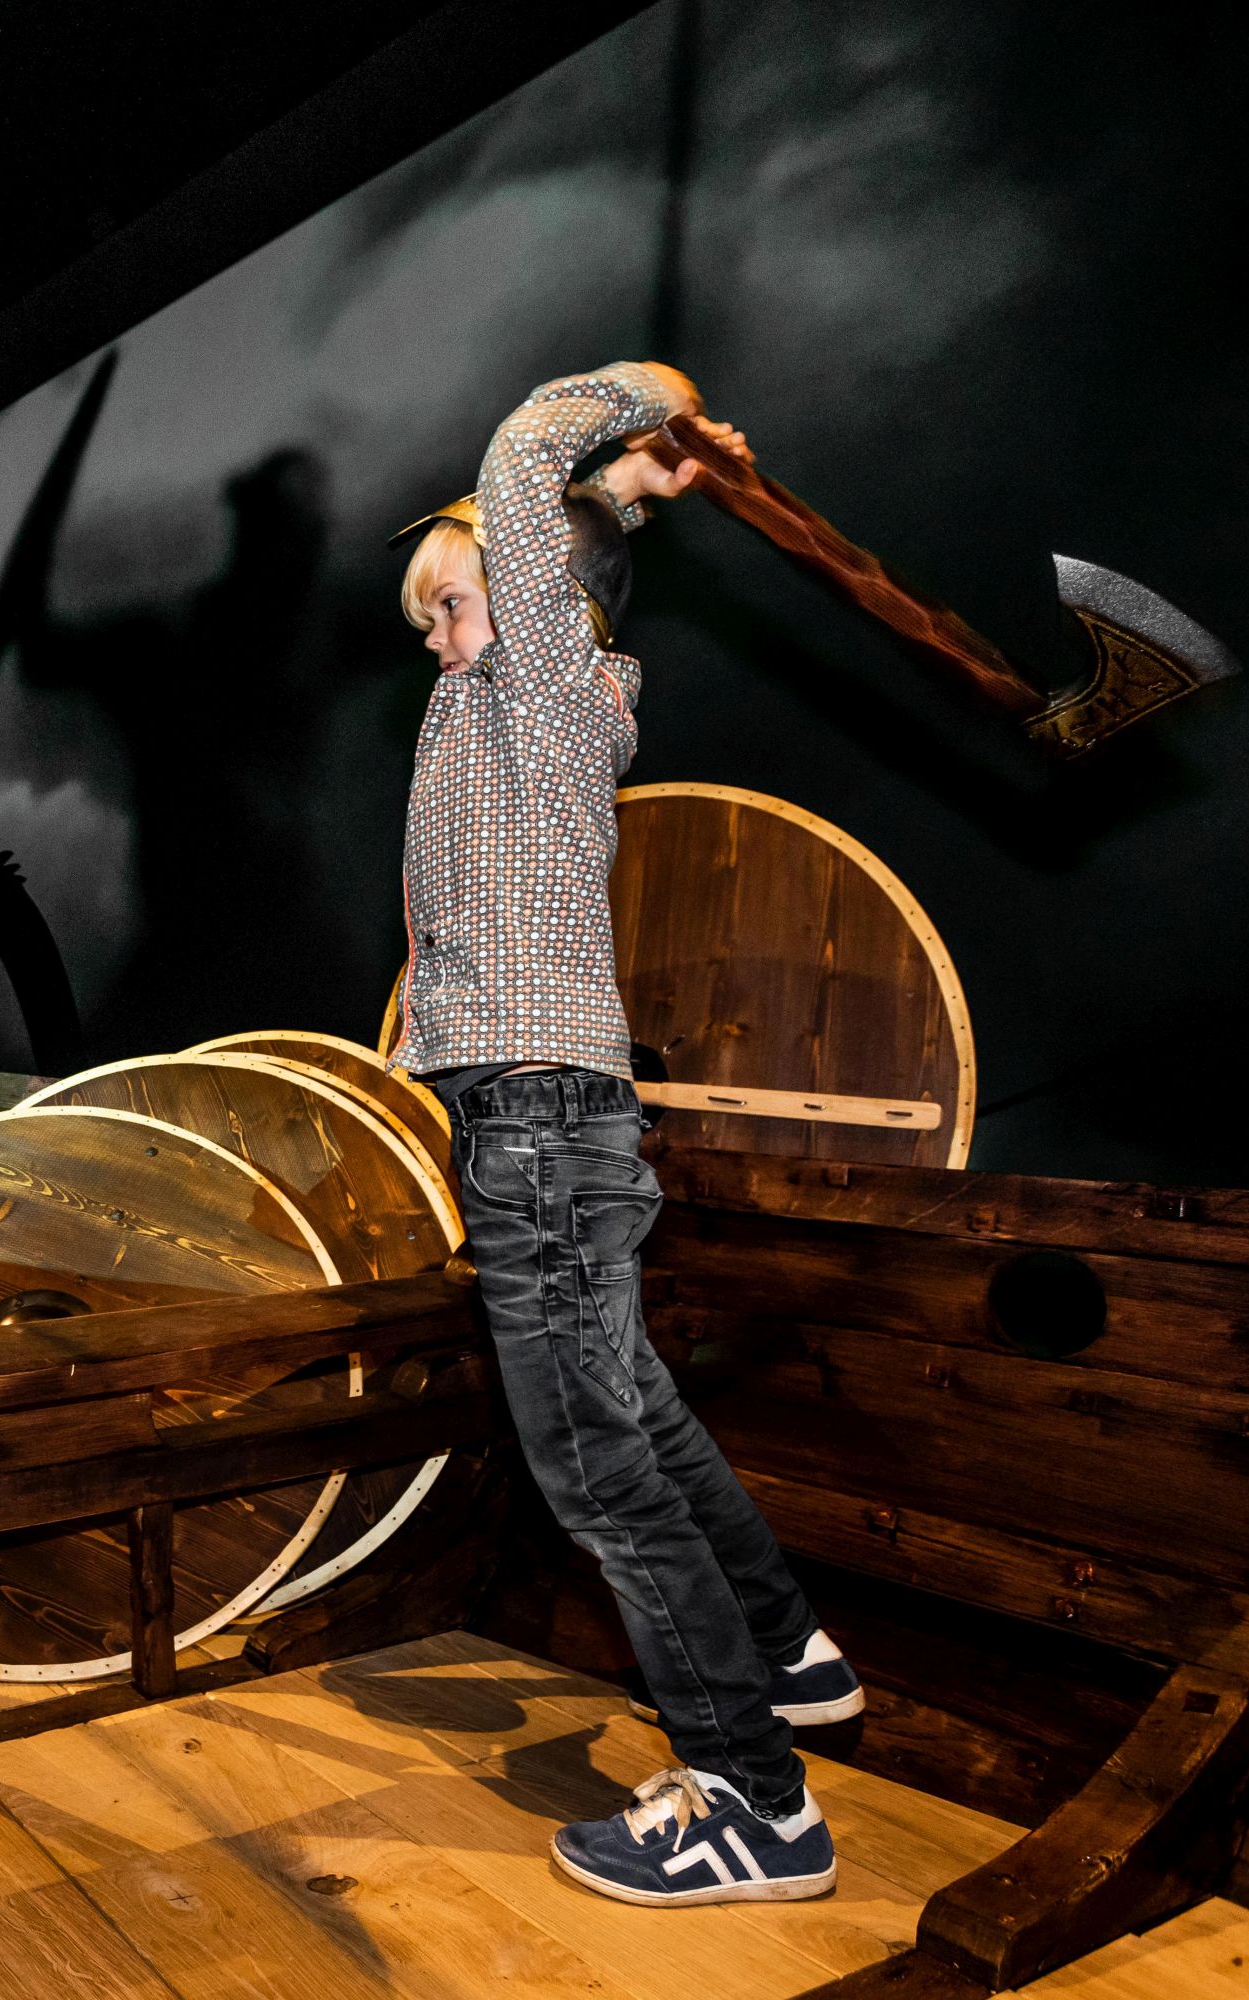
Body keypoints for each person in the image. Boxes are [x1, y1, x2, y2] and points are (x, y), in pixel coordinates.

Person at [388, 362, 865, 1906]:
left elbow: (524, 450)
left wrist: (634, 399)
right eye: (431, 625)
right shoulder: (508, 699)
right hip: (534, 1108)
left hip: (536, 1118)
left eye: (459, 607)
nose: (442, 646)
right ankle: (785, 1651)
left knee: (590, 1460)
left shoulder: (536, 681)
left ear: (540, 603)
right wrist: (639, 486)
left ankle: (751, 1799)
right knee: (633, 1404)